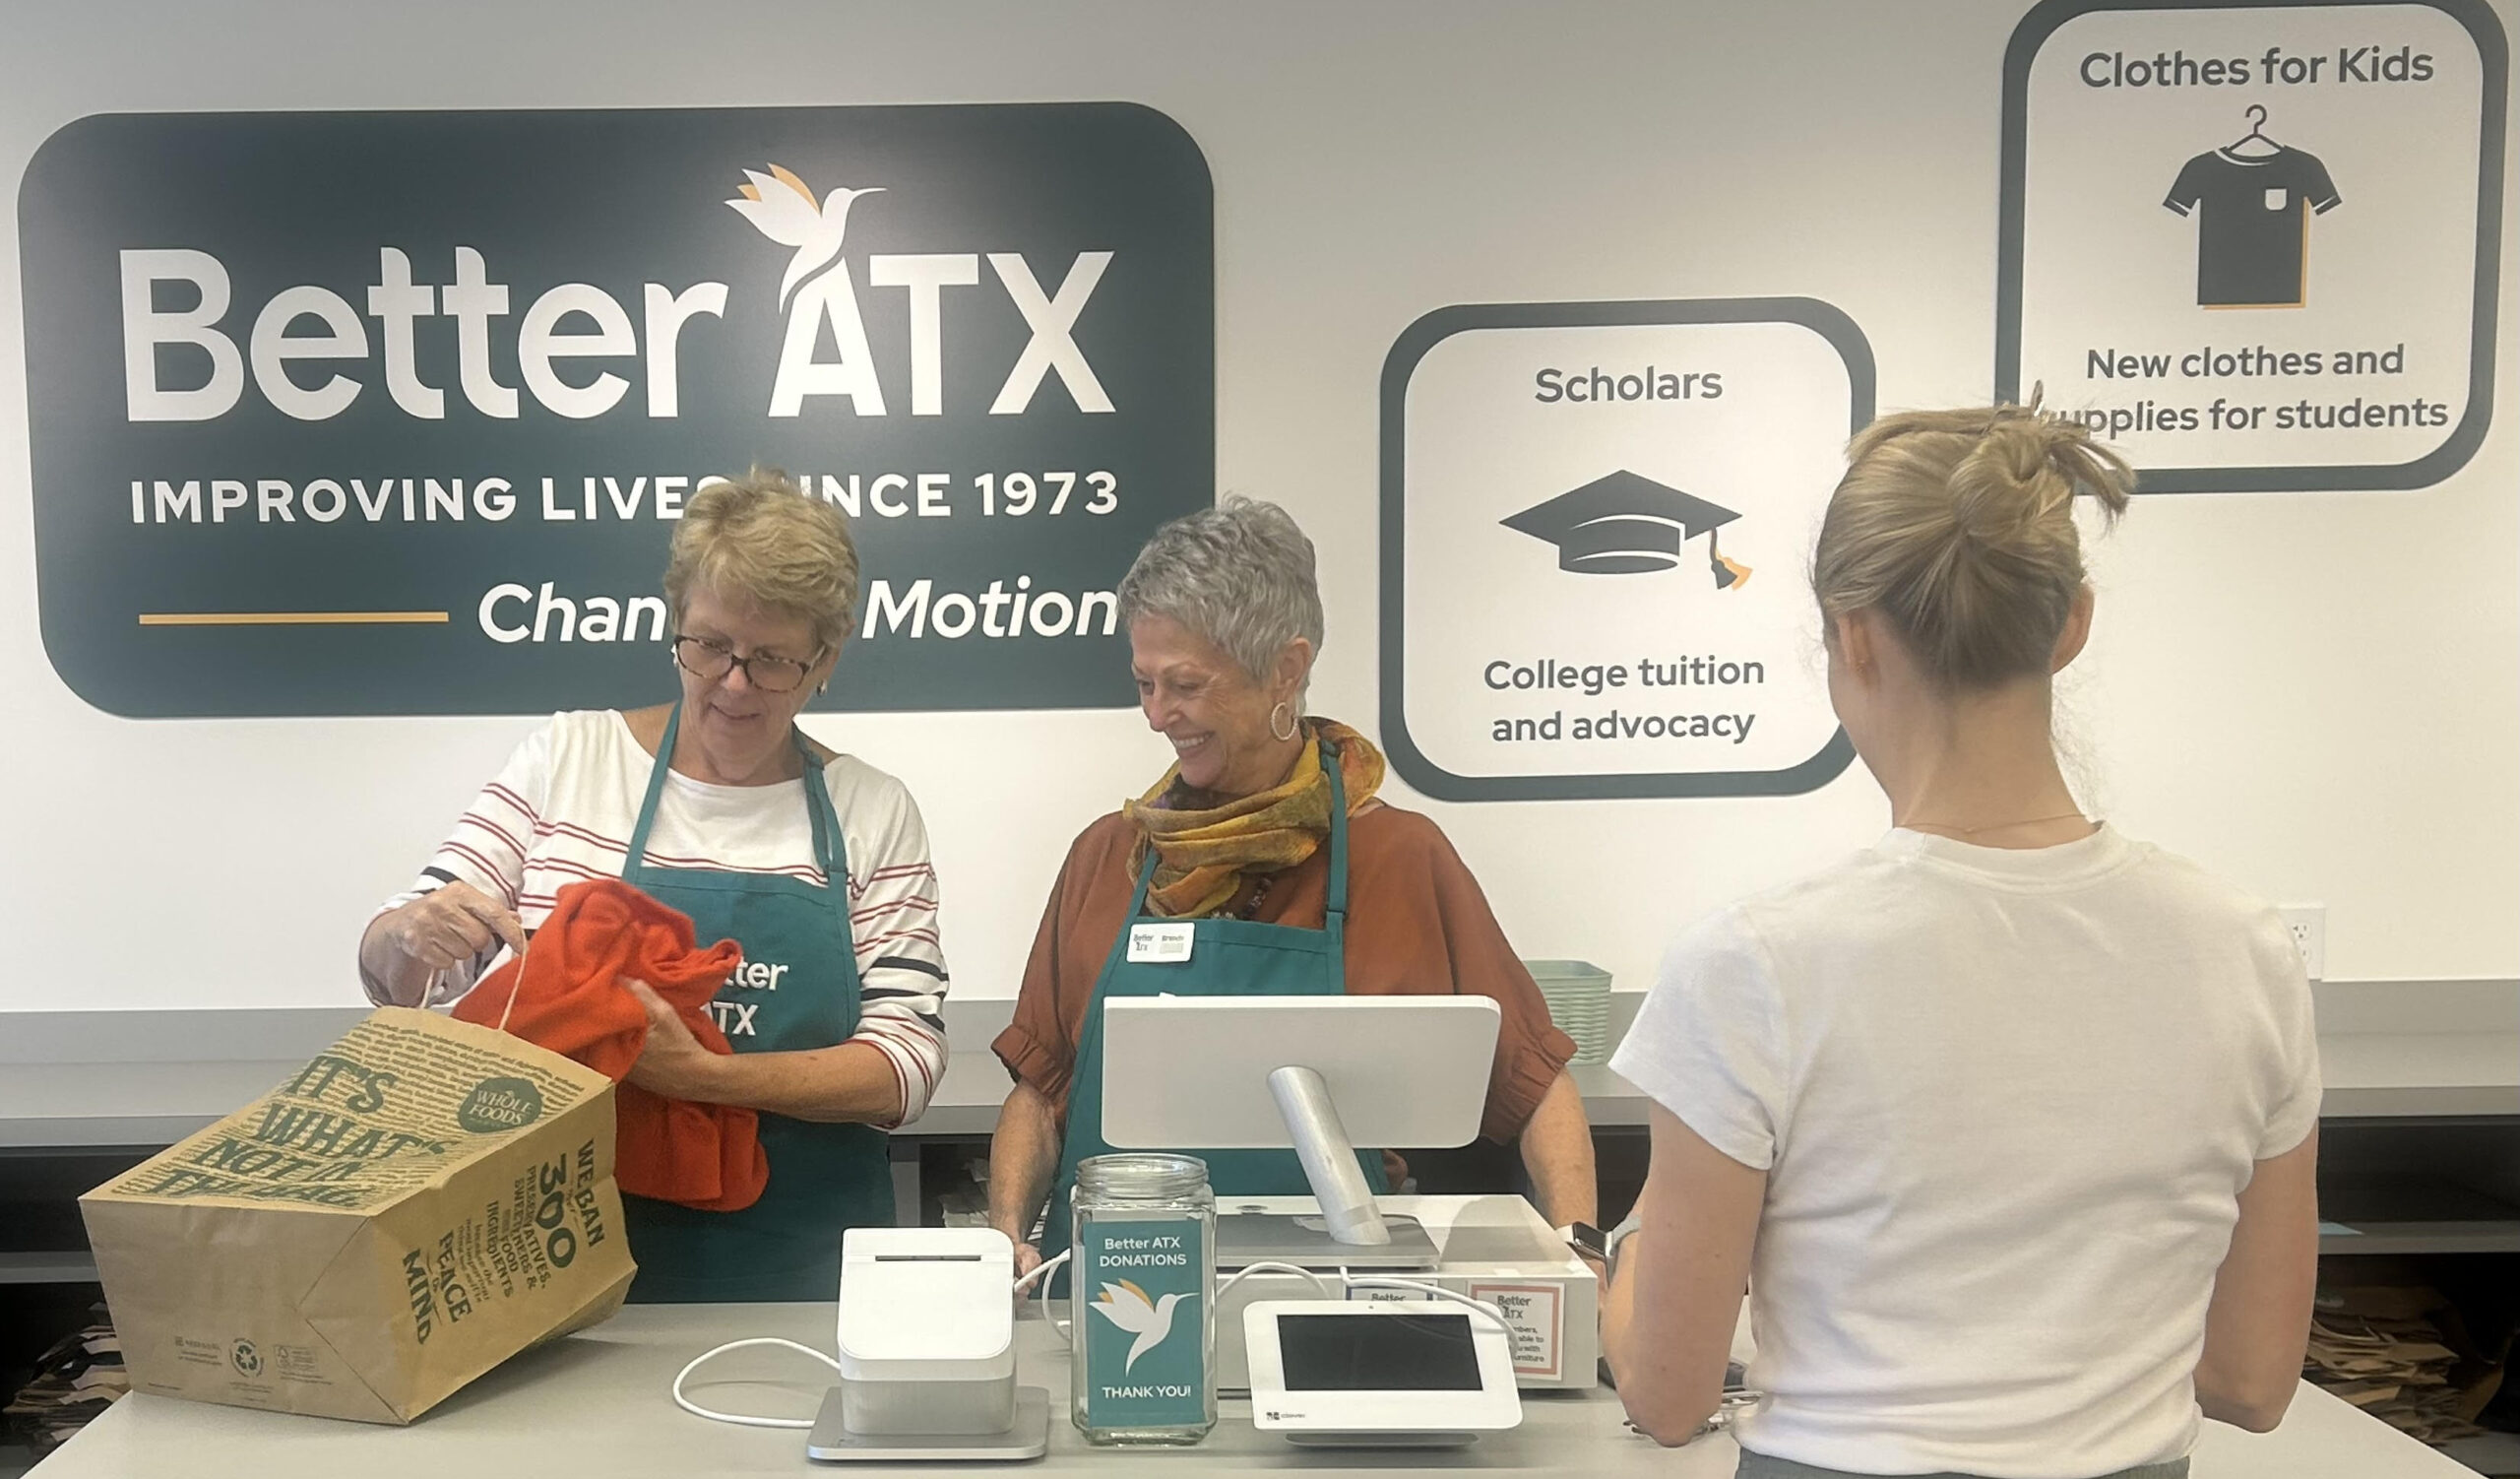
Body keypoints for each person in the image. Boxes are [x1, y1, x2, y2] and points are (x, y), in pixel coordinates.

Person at [1602, 404, 2318, 1479]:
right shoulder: (2244, 953)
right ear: (2069, 625)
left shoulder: (1756, 964)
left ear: (1850, 635)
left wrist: (1622, 1262)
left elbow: (1667, 1396)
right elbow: (2251, 1381)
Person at [359, 468, 947, 1302]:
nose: (733, 685)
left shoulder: (871, 812)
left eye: (772, 660)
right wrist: (408, 933)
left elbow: (906, 1063)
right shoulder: (569, 761)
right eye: (709, 646)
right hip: (552, 1268)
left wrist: (703, 1080)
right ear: (676, 622)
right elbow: (412, 970)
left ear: (826, 659)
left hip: (802, 1273)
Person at [986, 498, 1600, 1275]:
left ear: (1286, 668)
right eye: (1143, 683)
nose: (1156, 715)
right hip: (1114, 1303)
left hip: (1339, 1304)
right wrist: (1005, 1232)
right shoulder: (1107, 858)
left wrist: (1582, 1246)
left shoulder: (1400, 859)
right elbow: (1040, 1093)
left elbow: (1535, 1084)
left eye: (1185, 685)